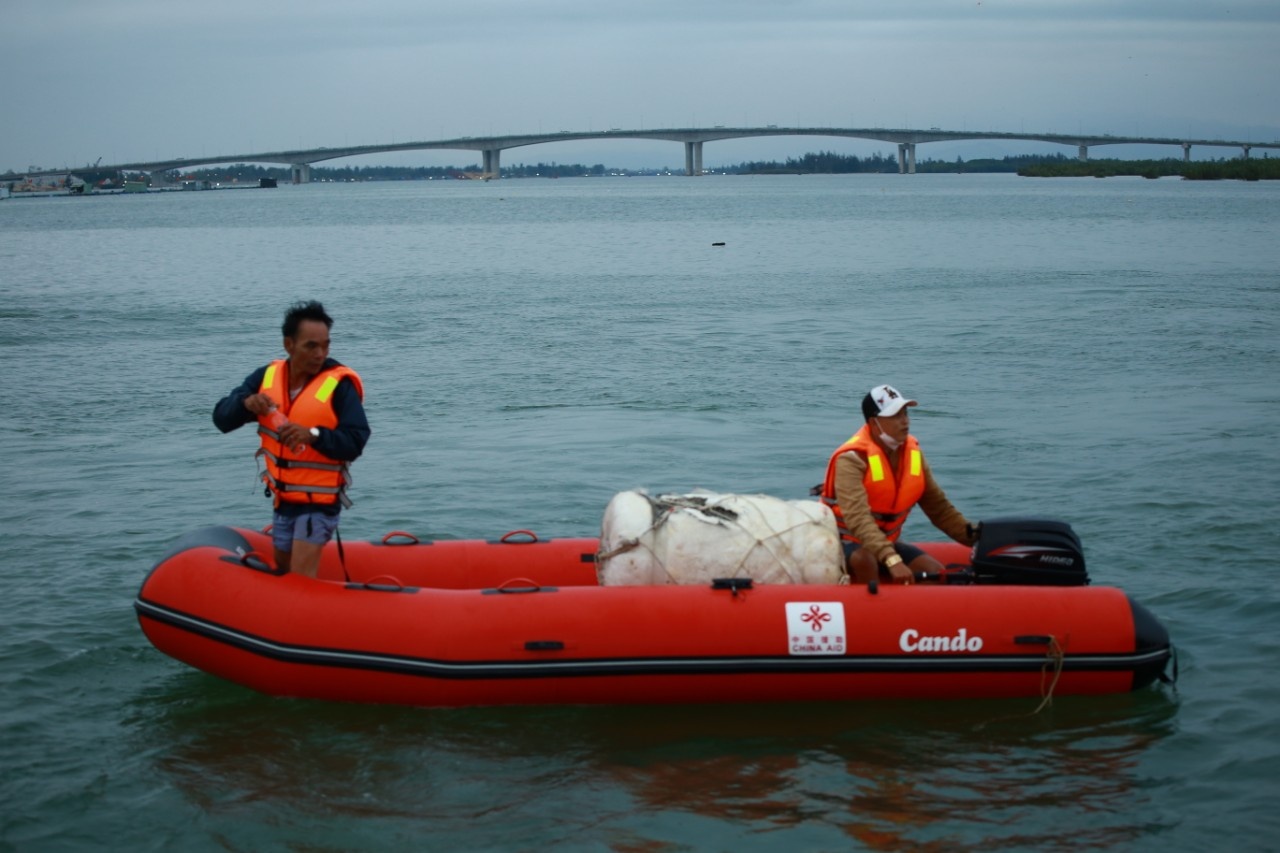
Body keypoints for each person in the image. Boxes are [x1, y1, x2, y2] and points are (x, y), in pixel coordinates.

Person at [213, 300, 370, 578]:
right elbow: (221, 418)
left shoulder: (339, 386)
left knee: (299, 581)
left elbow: (356, 440)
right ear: (289, 345)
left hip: (319, 504)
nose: (320, 353)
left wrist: (313, 435)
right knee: (283, 575)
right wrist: (246, 404)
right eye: (311, 345)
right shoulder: (266, 377)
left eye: (325, 345)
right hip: (283, 500)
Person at [818, 384, 975, 585]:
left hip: (884, 542)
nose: (905, 421)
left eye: (905, 413)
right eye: (895, 416)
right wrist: (891, 559)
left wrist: (977, 538)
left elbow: (940, 510)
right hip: (844, 542)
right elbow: (857, 518)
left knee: (935, 572)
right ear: (874, 423)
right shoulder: (851, 459)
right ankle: (872, 611)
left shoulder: (913, 454)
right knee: (865, 560)